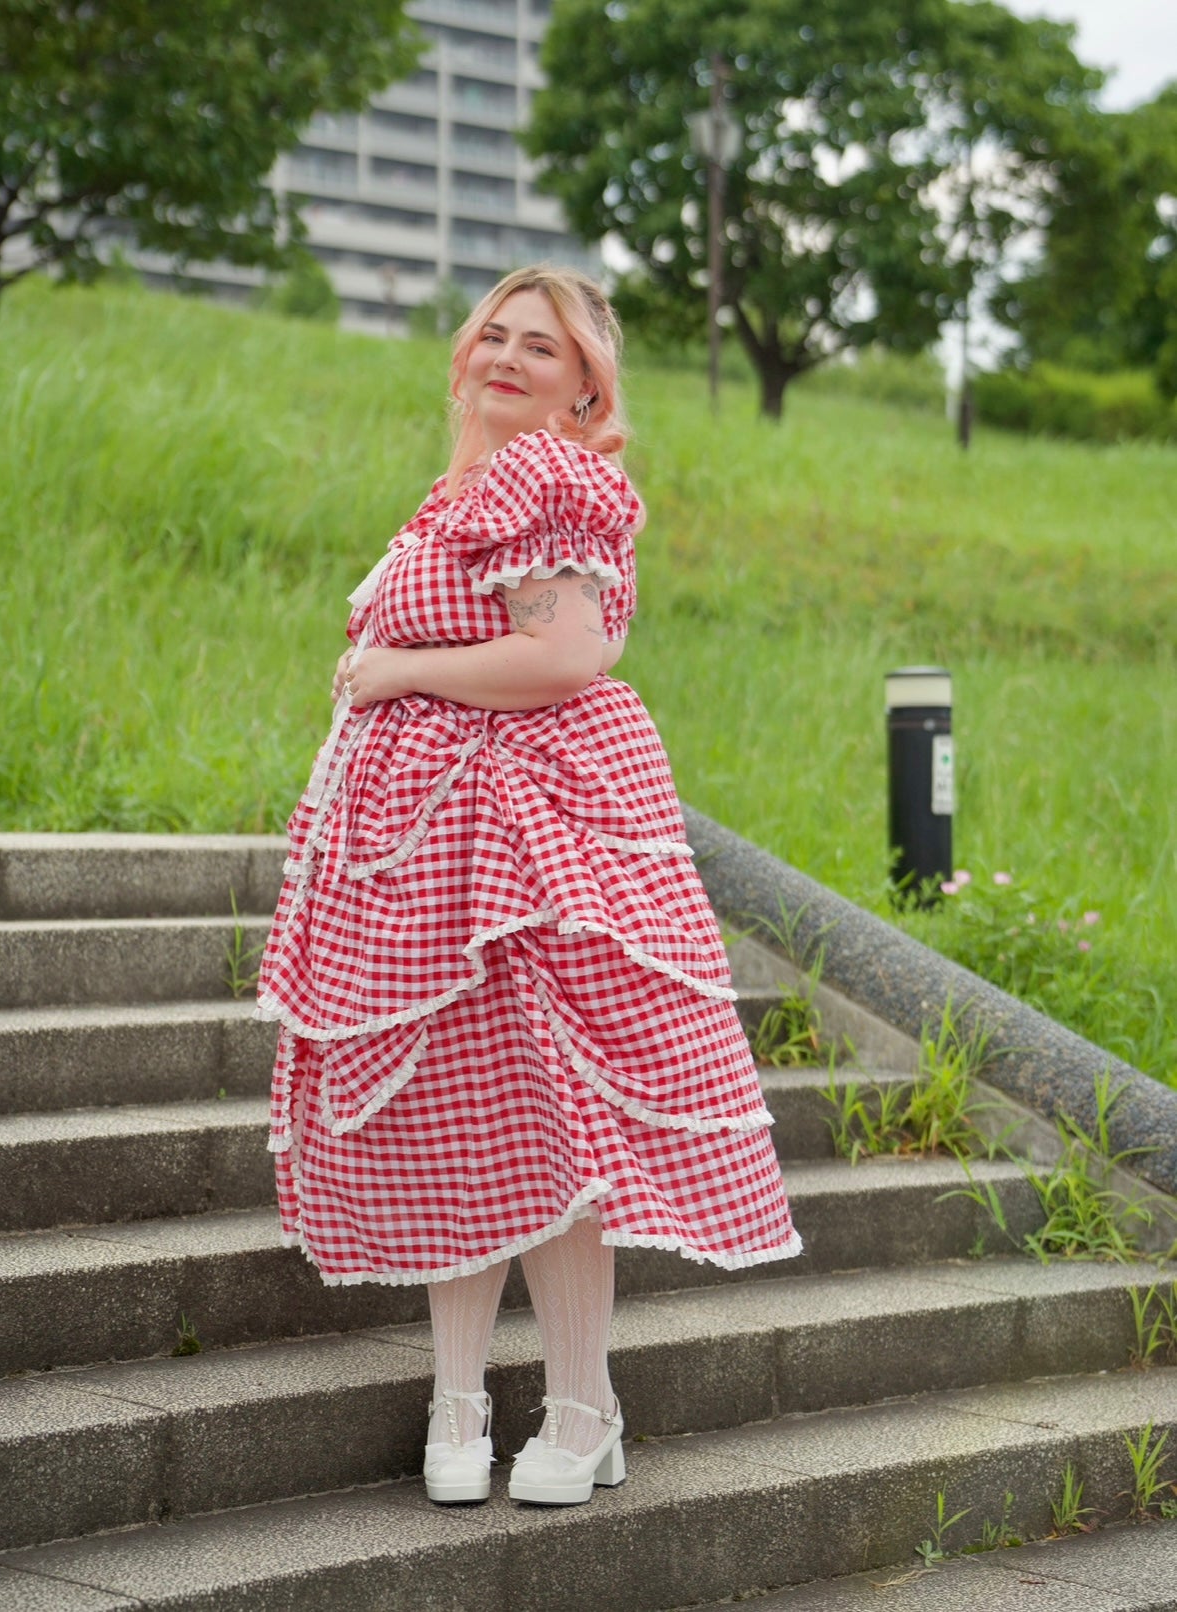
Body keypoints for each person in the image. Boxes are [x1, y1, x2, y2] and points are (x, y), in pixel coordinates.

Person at [256, 264, 801, 1509]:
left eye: (539, 348)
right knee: (459, 1124)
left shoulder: (546, 477)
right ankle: (456, 1401)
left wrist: (392, 669)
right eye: (493, 336)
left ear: (585, 384)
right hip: (421, 855)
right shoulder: (453, 495)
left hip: (529, 842)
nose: (506, 358)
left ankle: (581, 1403)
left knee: (552, 1127)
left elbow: (569, 652)